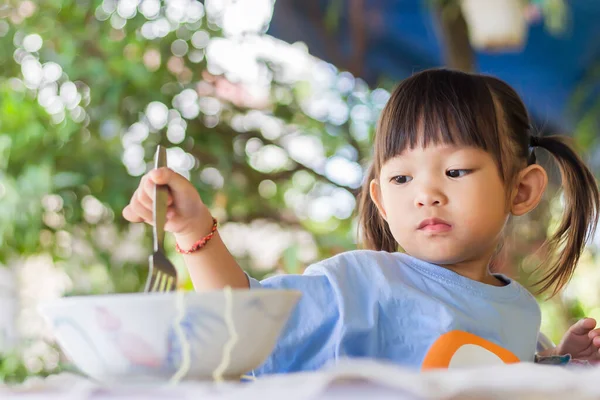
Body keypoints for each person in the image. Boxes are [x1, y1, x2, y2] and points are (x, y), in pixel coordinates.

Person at [123, 68, 600, 373]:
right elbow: (245, 328)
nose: (426, 194)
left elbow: (504, 375)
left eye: (455, 171)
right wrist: (193, 232)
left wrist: (559, 359)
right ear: (380, 200)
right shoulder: (359, 285)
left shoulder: (519, 310)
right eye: (401, 179)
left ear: (520, 190)